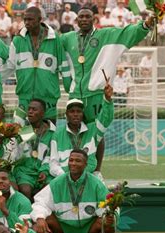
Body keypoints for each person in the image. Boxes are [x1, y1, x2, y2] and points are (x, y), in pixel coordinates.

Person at [60, 8, 153, 179]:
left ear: (94, 19)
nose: (84, 19)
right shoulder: (67, 39)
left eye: (88, 16)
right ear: (76, 20)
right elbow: (51, 46)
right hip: (75, 95)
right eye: (81, 17)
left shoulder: (106, 35)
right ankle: (73, 171)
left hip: (95, 94)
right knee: (74, 132)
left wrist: (145, 25)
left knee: (98, 133)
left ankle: (97, 170)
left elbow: (128, 33)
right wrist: (68, 84)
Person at [31, 149, 117, 233]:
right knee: (39, 222)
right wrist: (40, 218)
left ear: (85, 164)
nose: (73, 163)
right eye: (71, 160)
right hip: (62, 227)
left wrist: (108, 217)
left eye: (78, 161)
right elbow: (40, 202)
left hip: (88, 227)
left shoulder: (96, 183)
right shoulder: (57, 182)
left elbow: (109, 205)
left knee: (109, 224)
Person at [5, 7, 70, 124]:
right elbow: (9, 65)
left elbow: (63, 65)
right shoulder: (18, 40)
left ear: (40, 19)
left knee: (47, 138)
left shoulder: (55, 39)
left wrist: (69, 87)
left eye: (31, 19)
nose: (27, 23)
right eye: (25, 19)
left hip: (48, 100)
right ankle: (28, 141)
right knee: (24, 137)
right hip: (25, 99)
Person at [49, 83, 114, 179]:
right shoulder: (57, 134)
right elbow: (53, 164)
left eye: (79, 111)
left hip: (89, 177)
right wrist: (65, 176)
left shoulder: (93, 130)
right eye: (72, 111)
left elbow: (106, 118)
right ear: (66, 114)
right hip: (65, 178)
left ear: (83, 114)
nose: (75, 114)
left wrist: (107, 100)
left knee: (105, 193)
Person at [13, 99, 56, 201]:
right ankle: (27, 214)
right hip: (25, 170)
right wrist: (15, 134)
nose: (30, 112)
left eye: (34, 109)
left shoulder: (52, 132)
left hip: (45, 169)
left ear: (43, 113)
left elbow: (51, 155)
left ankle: (42, 214)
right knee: (25, 190)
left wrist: (44, 171)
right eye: (29, 109)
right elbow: (16, 152)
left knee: (49, 188)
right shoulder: (24, 128)